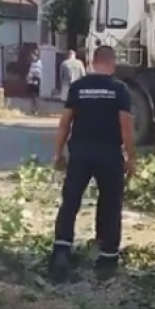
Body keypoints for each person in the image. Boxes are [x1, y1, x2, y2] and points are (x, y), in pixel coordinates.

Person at [48, 45, 137, 281]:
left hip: (80, 152)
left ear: (92, 61)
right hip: (109, 154)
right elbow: (126, 127)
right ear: (112, 63)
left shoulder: (79, 87)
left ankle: (61, 251)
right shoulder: (120, 89)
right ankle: (107, 258)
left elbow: (65, 122)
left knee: (71, 201)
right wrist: (131, 158)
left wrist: (58, 152)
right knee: (110, 203)